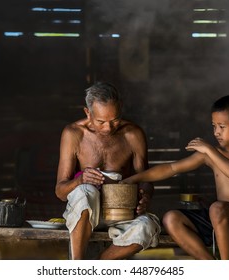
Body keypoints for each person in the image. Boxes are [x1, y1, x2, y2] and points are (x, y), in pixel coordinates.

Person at [121, 94, 229, 260]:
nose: (216, 132)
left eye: (222, 127)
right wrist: (134, 179)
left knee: (217, 208)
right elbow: (171, 168)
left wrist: (209, 150)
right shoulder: (211, 154)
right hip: (220, 220)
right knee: (171, 218)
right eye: (214, 126)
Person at [55, 81, 160, 260]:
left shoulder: (133, 134)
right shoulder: (73, 134)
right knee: (85, 190)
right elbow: (60, 192)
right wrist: (81, 180)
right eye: (101, 121)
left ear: (121, 109)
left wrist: (145, 196)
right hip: (85, 215)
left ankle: (100, 265)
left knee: (148, 226)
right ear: (88, 113)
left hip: (122, 214)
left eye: (115, 120)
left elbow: (146, 179)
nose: (108, 128)